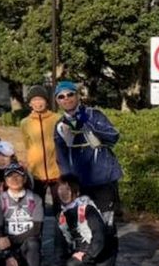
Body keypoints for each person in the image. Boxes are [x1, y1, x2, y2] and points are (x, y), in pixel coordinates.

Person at [52, 81, 122, 225]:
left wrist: (88, 124)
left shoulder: (94, 115)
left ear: (78, 96)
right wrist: (68, 181)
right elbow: (61, 156)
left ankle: (109, 247)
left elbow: (113, 136)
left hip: (103, 180)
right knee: (83, 224)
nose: (66, 99)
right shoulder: (60, 125)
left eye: (70, 94)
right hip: (79, 183)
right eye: (61, 96)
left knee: (106, 223)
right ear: (57, 101)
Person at [52, 175, 119, 266]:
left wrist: (86, 256)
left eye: (67, 190)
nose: (63, 193)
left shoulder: (87, 209)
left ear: (76, 193)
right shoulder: (61, 215)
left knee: (73, 264)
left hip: (99, 254)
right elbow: (59, 246)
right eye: (60, 189)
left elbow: (99, 238)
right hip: (79, 252)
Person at [0, 164, 47, 266]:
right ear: (5, 181)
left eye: (18, 176)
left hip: (26, 243)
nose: (14, 179)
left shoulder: (36, 199)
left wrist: (10, 239)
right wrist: (8, 254)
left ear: (25, 179)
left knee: (33, 242)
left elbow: (36, 230)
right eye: (10, 176)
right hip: (9, 248)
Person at [20, 85, 61, 210]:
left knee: (60, 207)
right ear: (30, 103)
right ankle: (37, 230)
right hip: (36, 172)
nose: (38, 103)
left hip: (57, 171)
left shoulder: (57, 119)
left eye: (41, 99)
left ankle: (63, 229)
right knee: (37, 208)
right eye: (34, 100)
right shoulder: (25, 122)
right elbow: (27, 145)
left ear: (47, 102)